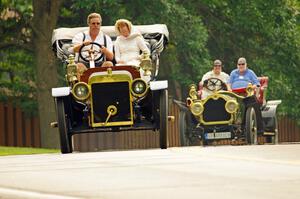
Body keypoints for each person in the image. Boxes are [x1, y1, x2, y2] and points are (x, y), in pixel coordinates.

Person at [228, 57, 264, 133]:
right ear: (237, 65)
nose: (241, 66)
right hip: (234, 94)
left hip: (247, 94)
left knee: (253, 102)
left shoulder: (250, 72)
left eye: (242, 64)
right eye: (239, 64)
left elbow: (257, 84)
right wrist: (229, 90)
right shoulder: (233, 73)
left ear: (246, 64)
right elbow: (229, 83)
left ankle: (258, 128)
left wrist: (250, 87)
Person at [72, 13, 114, 77]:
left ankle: (105, 84)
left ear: (100, 24)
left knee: (109, 64)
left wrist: (105, 51)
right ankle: (82, 86)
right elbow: (74, 50)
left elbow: (111, 57)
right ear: (89, 24)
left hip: (100, 64)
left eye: (98, 23)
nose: (96, 25)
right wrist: (83, 45)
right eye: (93, 23)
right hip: (83, 62)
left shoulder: (106, 38)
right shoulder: (80, 36)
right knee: (78, 66)